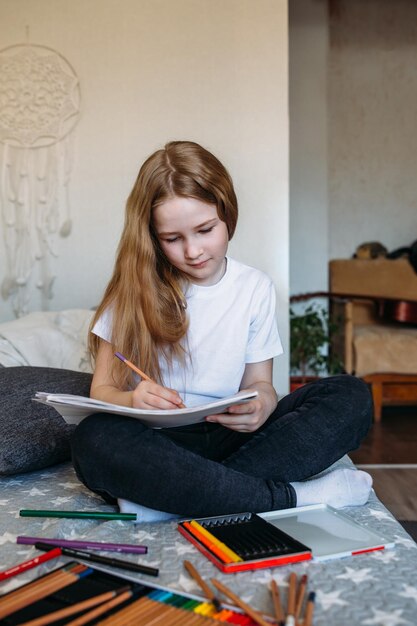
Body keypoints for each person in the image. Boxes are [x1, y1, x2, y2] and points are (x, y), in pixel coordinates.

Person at [71, 140, 373, 522]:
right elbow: (103, 390)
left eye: (204, 230)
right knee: (93, 439)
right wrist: (133, 400)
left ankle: (170, 501)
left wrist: (261, 403)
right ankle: (291, 497)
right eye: (173, 239)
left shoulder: (255, 287)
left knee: (351, 396)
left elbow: (260, 384)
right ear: (151, 236)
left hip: (234, 438)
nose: (193, 251)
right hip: (161, 444)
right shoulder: (130, 292)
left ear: (227, 213)